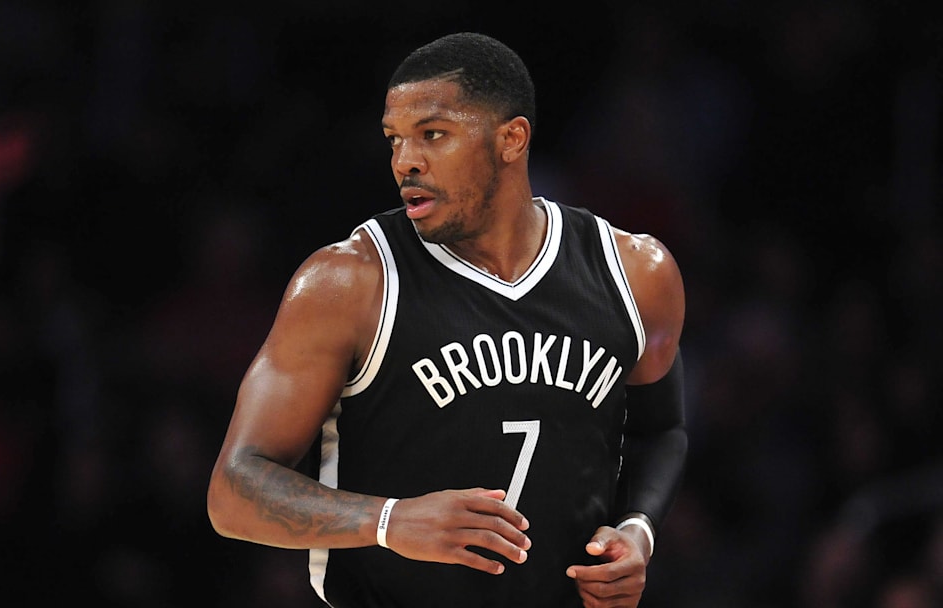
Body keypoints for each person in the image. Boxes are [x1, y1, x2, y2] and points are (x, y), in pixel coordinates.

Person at [207, 31, 688, 608]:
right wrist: (388, 521)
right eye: (394, 140)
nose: (404, 161)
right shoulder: (350, 282)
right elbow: (233, 492)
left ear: (512, 139)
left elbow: (661, 430)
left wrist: (639, 529)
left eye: (433, 134)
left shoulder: (635, 272)